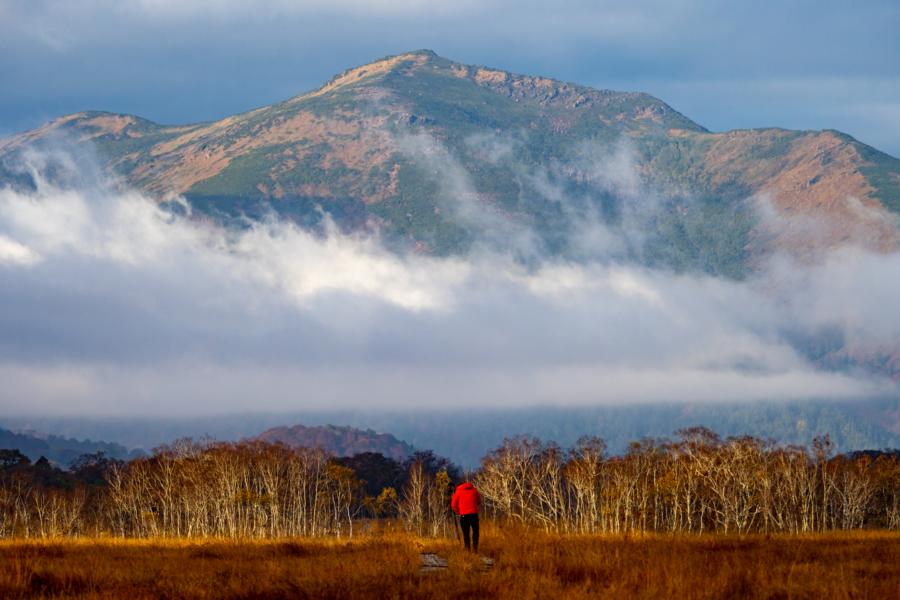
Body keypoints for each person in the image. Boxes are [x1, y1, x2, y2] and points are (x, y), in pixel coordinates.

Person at [451, 481, 481, 552]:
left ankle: (467, 549)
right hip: (474, 514)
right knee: (475, 532)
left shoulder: (458, 492)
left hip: (464, 515)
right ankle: (475, 548)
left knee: (466, 533)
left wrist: (458, 512)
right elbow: (479, 501)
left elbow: (453, 505)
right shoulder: (474, 490)